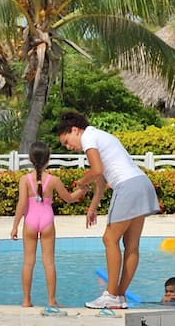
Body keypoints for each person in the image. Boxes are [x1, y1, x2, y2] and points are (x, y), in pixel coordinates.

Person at [55, 111, 159, 310]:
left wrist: (81, 182)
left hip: (127, 186)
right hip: (141, 183)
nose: (68, 147)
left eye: (67, 142)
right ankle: (119, 296)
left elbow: (96, 171)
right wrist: (93, 207)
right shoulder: (100, 136)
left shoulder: (88, 138)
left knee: (109, 239)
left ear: (75, 130)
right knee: (131, 246)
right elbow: (101, 181)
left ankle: (110, 295)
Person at [9, 141, 83, 308]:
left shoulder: (24, 180)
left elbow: (22, 204)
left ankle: (26, 300)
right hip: (47, 222)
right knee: (49, 263)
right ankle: (51, 300)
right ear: (48, 159)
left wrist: (15, 226)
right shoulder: (54, 180)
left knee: (28, 262)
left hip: (30, 221)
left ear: (30, 159)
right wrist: (82, 191)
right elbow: (69, 198)